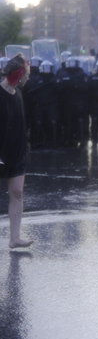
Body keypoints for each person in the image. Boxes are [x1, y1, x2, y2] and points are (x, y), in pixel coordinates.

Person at [0, 55, 33, 249]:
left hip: (17, 152)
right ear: (18, 75)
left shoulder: (18, 93)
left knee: (17, 192)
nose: (28, 77)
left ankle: (14, 238)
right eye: (27, 74)